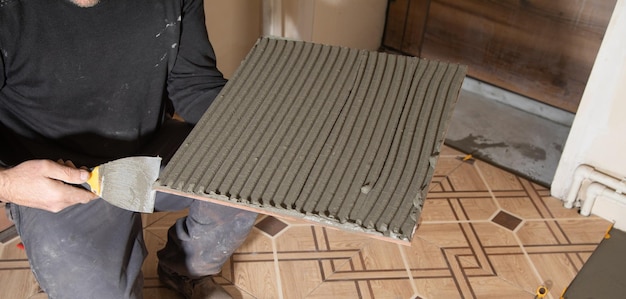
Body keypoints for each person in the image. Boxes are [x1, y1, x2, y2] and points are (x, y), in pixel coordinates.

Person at [0, 0, 258, 298]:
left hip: (147, 147)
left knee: (247, 172)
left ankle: (185, 269)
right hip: (57, 179)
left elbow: (193, 82)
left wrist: (255, 136)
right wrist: (9, 184)